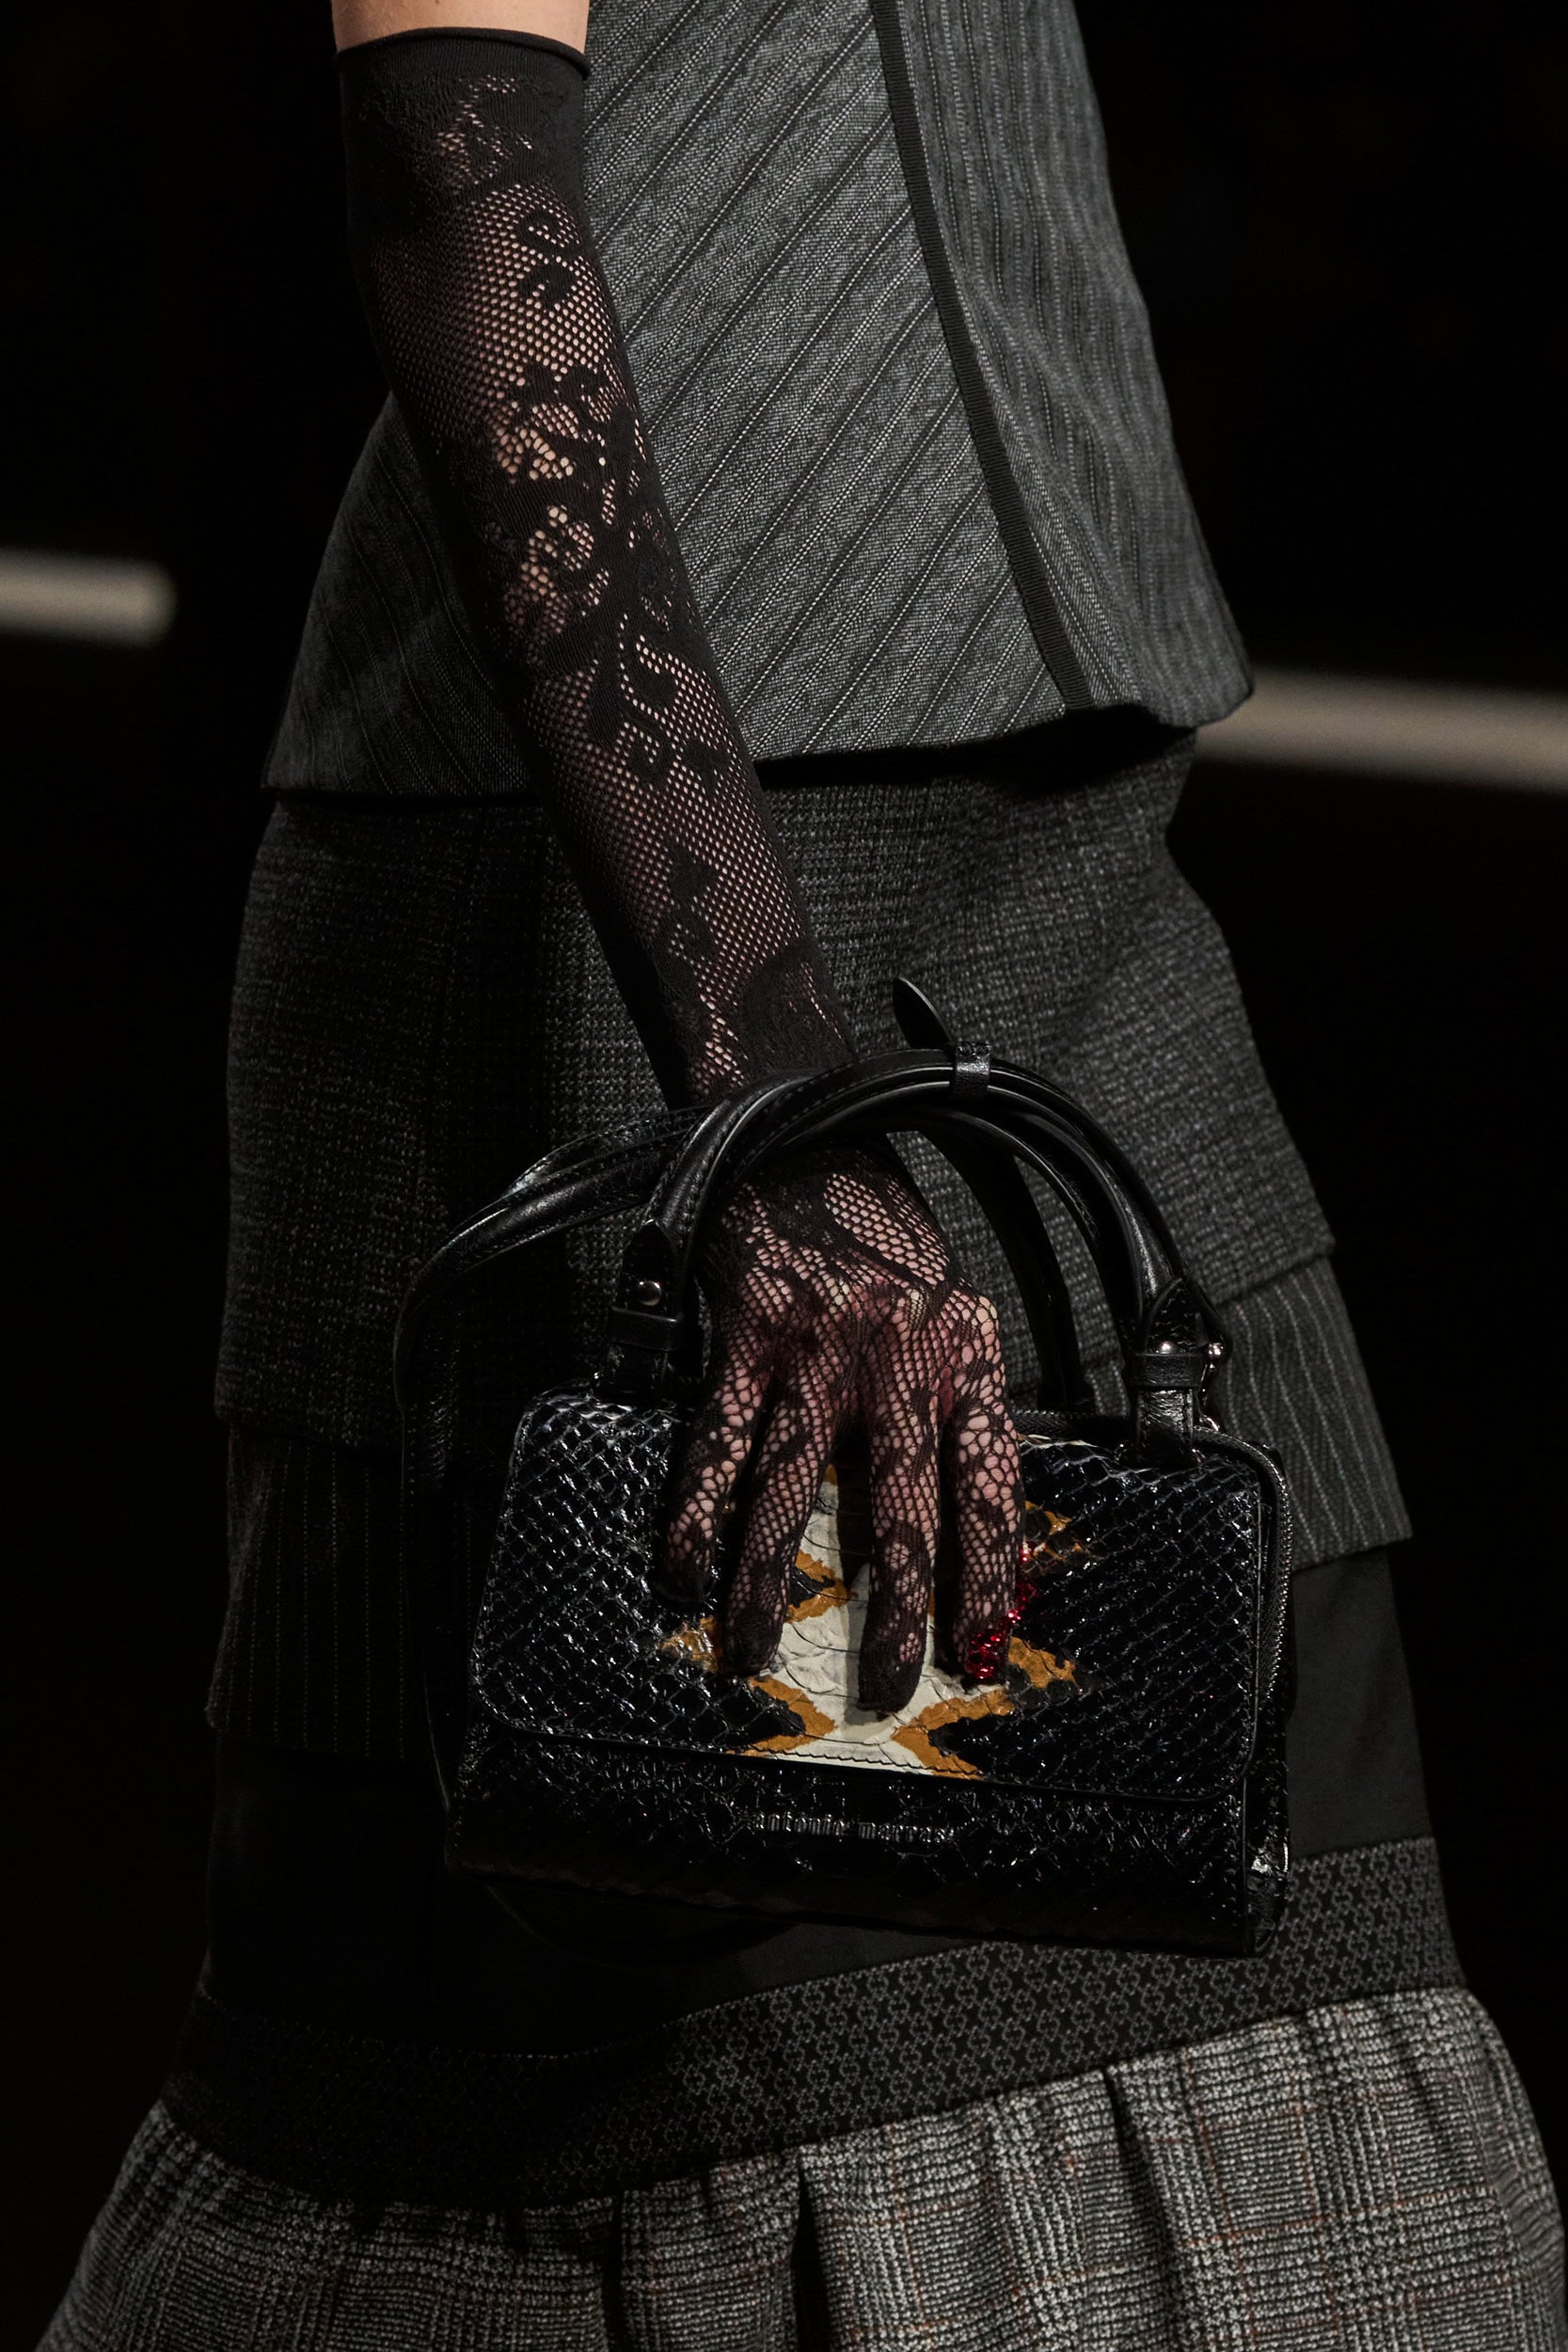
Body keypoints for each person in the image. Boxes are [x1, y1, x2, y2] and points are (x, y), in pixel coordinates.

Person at [44, 0, 1564, 2343]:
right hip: (666, 893)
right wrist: (772, 1090)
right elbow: (456, 159)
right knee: (675, 2075)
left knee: (1267, 1953)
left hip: (1053, 858)